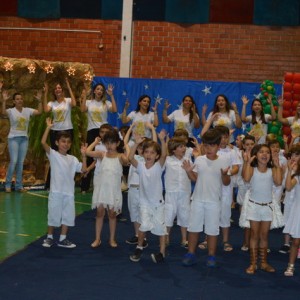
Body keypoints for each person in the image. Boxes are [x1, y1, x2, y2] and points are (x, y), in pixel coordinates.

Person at [181, 128, 231, 268]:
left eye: (212, 145)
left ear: (218, 145)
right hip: (197, 200)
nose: (209, 148)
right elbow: (195, 179)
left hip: (214, 201)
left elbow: (226, 182)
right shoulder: (199, 160)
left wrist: (225, 175)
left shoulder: (223, 161)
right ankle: (191, 253)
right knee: (194, 228)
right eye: (206, 145)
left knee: (212, 230)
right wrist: (188, 171)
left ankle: (211, 255)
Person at [41, 118, 87, 248]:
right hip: (56, 192)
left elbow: (83, 170)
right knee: (53, 215)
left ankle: (62, 238)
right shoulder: (53, 155)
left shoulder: (73, 159)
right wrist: (48, 127)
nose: (65, 144)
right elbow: (43, 142)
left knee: (67, 216)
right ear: (57, 142)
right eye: (63, 141)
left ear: (71, 144)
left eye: (68, 142)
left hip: (68, 193)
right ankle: (49, 237)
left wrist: (84, 156)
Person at [241, 144, 283, 274]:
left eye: (267, 152)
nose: (264, 154)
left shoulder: (273, 169)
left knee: (264, 235)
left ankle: (263, 262)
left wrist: (277, 165)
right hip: (253, 206)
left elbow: (278, 182)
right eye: (261, 152)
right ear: (255, 155)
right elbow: (246, 178)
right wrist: (247, 162)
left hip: (267, 207)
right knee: (254, 234)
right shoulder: (252, 168)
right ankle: (253, 263)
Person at [128, 129, 167, 264]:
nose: (149, 154)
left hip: (158, 204)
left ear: (157, 155)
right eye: (146, 152)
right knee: (143, 226)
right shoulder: (140, 166)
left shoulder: (159, 166)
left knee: (161, 228)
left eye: (152, 152)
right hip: (144, 203)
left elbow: (164, 155)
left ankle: (162, 252)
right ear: (143, 154)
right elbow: (130, 158)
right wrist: (135, 143)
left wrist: (162, 141)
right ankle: (139, 246)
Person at [86, 130, 129, 248]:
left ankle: (112, 239)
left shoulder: (120, 156)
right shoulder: (102, 154)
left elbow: (128, 161)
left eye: (112, 143)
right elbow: (88, 152)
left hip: (113, 191)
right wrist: (95, 142)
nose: (109, 146)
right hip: (101, 190)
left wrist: (126, 147)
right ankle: (97, 238)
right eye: (107, 143)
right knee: (99, 213)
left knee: (112, 215)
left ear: (117, 143)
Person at [1, 84, 43, 192]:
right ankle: (8, 184)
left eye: (21, 99)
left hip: (24, 139)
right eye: (17, 99)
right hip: (13, 139)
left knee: (20, 162)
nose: (20, 100)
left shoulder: (27, 110)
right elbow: (3, 112)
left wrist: (39, 101)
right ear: (14, 101)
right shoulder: (11, 111)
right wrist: (4, 101)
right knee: (14, 161)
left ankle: (19, 186)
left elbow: (39, 112)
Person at [80, 83, 117, 193]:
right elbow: (82, 110)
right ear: (94, 91)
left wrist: (111, 95)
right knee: (90, 156)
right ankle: (84, 187)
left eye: (101, 89)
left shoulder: (106, 103)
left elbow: (114, 110)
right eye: (98, 89)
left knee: (105, 155)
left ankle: (104, 184)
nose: (100, 91)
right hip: (92, 131)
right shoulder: (89, 102)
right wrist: (85, 96)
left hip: (104, 131)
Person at [124, 122, 156, 246]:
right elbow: (125, 143)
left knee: (143, 213)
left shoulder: (149, 160)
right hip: (132, 189)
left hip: (144, 190)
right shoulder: (134, 158)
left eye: (145, 148)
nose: (142, 150)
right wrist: (131, 128)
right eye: (140, 147)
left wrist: (152, 129)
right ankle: (137, 235)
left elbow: (155, 144)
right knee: (134, 213)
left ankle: (144, 237)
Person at [43, 78, 77, 189]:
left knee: (67, 156)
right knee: (54, 157)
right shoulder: (51, 103)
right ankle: (50, 184)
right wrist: (45, 93)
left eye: (59, 88)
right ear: (54, 91)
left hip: (67, 131)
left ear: (63, 91)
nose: (58, 90)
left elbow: (75, 104)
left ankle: (67, 182)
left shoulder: (67, 100)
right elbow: (46, 110)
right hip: (55, 132)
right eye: (56, 88)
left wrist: (68, 86)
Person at [164, 136, 192, 248]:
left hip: (184, 192)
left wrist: (188, 170)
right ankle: (166, 237)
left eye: (184, 146)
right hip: (171, 192)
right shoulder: (167, 160)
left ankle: (184, 239)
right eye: (180, 146)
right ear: (174, 149)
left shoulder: (188, 160)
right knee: (169, 214)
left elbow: (192, 175)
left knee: (185, 215)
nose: (184, 148)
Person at [236, 135, 256, 251]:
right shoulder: (239, 155)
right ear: (243, 145)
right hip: (244, 186)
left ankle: (254, 241)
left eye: (251, 144)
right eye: (247, 144)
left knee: (254, 217)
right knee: (245, 217)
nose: (249, 146)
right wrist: (245, 161)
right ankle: (246, 241)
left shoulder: (258, 156)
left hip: (254, 187)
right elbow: (244, 176)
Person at [279, 145, 300, 255]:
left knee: (297, 222)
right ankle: (287, 243)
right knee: (287, 220)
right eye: (292, 154)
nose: (293, 157)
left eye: (297, 155)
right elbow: (284, 185)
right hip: (288, 200)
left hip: (298, 202)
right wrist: (285, 172)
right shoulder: (288, 167)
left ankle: (296, 243)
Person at [283, 158, 300, 276]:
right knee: (295, 241)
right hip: (298, 211)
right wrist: (289, 171)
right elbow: (288, 187)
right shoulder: (297, 178)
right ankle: (291, 266)